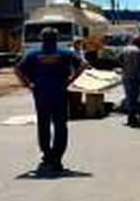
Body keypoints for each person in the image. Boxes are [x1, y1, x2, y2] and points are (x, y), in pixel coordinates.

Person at [14, 27, 88, 173]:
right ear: (57, 38)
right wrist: (71, 80)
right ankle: (57, 156)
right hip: (59, 92)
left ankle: (47, 154)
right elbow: (84, 64)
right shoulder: (66, 53)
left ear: (42, 38)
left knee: (43, 124)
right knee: (60, 124)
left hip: (40, 93)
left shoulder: (33, 54)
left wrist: (27, 84)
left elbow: (17, 69)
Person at [120, 35, 140, 127]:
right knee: (135, 97)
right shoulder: (139, 51)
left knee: (129, 96)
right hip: (136, 76)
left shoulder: (125, 49)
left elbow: (120, 60)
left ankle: (131, 118)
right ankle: (132, 118)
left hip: (126, 75)